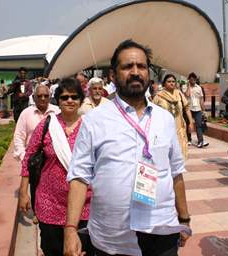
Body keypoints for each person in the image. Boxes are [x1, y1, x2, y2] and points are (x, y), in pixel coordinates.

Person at [64, 39, 191, 256]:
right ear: (113, 75)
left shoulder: (165, 119)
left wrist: (184, 218)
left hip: (162, 229)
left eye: (141, 66)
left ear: (148, 74)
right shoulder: (94, 119)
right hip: (113, 237)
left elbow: (176, 172)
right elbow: (79, 176)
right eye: (127, 67)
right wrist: (70, 230)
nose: (135, 72)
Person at [18, 78, 93, 256]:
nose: (69, 100)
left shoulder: (90, 127)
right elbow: (28, 158)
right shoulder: (46, 125)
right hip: (49, 203)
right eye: (65, 97)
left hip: (85, 205)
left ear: (81, 100)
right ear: (57, 100)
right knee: (52, 250)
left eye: (74, 97)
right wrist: (23, 193)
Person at [13, 85, 60, 162]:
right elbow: (19, 137)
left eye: (46, 96)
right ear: (34, 98)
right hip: (32, 160)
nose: (43, 98)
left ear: (50, 97)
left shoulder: (58, 112)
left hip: (54, 161)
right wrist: (24, 157)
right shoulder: (26, 113)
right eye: (39, 96)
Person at [153, 74, 195, 160]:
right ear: (164, 84)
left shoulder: (179, 94)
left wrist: (191, 122)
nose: (171, 83)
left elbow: (186, 108)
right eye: (169, 81)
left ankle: (178, 168)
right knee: (166, 151)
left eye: (173, 81)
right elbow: (152, 112)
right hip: (164, 128)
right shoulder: (159, 96)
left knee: (180, 150)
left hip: (179, 126)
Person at [185, 72, 209, 148]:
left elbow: (201, 99)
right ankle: (188, 139)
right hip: (189, 109)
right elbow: (187, 95)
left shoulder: (199, 88)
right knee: (188, 124)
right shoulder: (185, 87)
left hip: (197, 109)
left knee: (199, 125)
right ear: (189, 80)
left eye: (194, 80)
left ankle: (200, 141)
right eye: (191, 80)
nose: (193, 81)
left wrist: (203, 110)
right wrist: (188, 86)